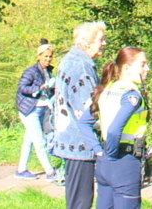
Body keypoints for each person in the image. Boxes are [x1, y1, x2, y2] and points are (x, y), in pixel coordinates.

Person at [78, 47, 151, 209]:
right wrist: (111, 156)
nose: (147, 69)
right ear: (127, 68)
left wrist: (99, 151)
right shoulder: (131, 94)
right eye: (143, 64)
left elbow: (83, 123)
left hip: (104, 162)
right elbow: (113, 129)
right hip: (124, 161)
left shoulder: (108, 88)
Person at [51, 21, 107, 209]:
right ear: (87, 42)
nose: (104, 43)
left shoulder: (71, 60)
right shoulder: (81, 66)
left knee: (77, 198)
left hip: (70, 137)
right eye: (101, 39)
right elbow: (88, 109)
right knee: (81, 201)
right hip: (79, 142)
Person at [15, 39, 57, 180]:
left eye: (50, 56)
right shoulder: (31, 71)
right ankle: (50, 173)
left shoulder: (49, 70)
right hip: (29, 110)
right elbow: (22, 87)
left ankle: (21, 170)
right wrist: (38, 88)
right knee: (40, 142)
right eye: (45, 56)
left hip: (41, 109)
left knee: (29, 140)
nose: (48, 59)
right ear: (39, 56)